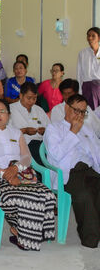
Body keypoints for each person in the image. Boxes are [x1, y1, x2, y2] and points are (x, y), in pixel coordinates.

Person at [0, 98, 56, 251]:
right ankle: (20, 232)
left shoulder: (16, 132)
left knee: (47, 195)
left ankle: (33, 231)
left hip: (21, 174)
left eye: (2, 111)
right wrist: (5, 174)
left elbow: (26, 157)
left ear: (9, 115)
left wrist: (15, 169)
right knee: (21, 198)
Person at [44, 94, 100, 248]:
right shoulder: (53, 128)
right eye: (76, 110)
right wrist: (73, 132)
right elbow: (55, 155)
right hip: (69, 173)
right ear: (66, 107)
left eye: (83, 112)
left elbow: (97, 152)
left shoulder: (87, 129)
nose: (79, 115)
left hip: (90, 170)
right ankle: (90, 238)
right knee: (86, 195)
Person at [9, 82, 49, 162]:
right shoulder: (11, 109)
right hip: (23, 146)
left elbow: (50, 129)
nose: (31, 101)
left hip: (42, 145)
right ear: (21, 96)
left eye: (34, 98)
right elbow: (6, 134)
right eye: (29, 98)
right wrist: (24, 131)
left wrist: (45, 131)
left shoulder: (39, 110)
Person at [77, 27, 100, 109]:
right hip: (87, 87)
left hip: (99, 86)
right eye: (88, 36)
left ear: (99, 38)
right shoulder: (83, 53)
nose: (90, 38)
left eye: (93, 36)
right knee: (89, 113)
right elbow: (79, 74)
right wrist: (80, 92)